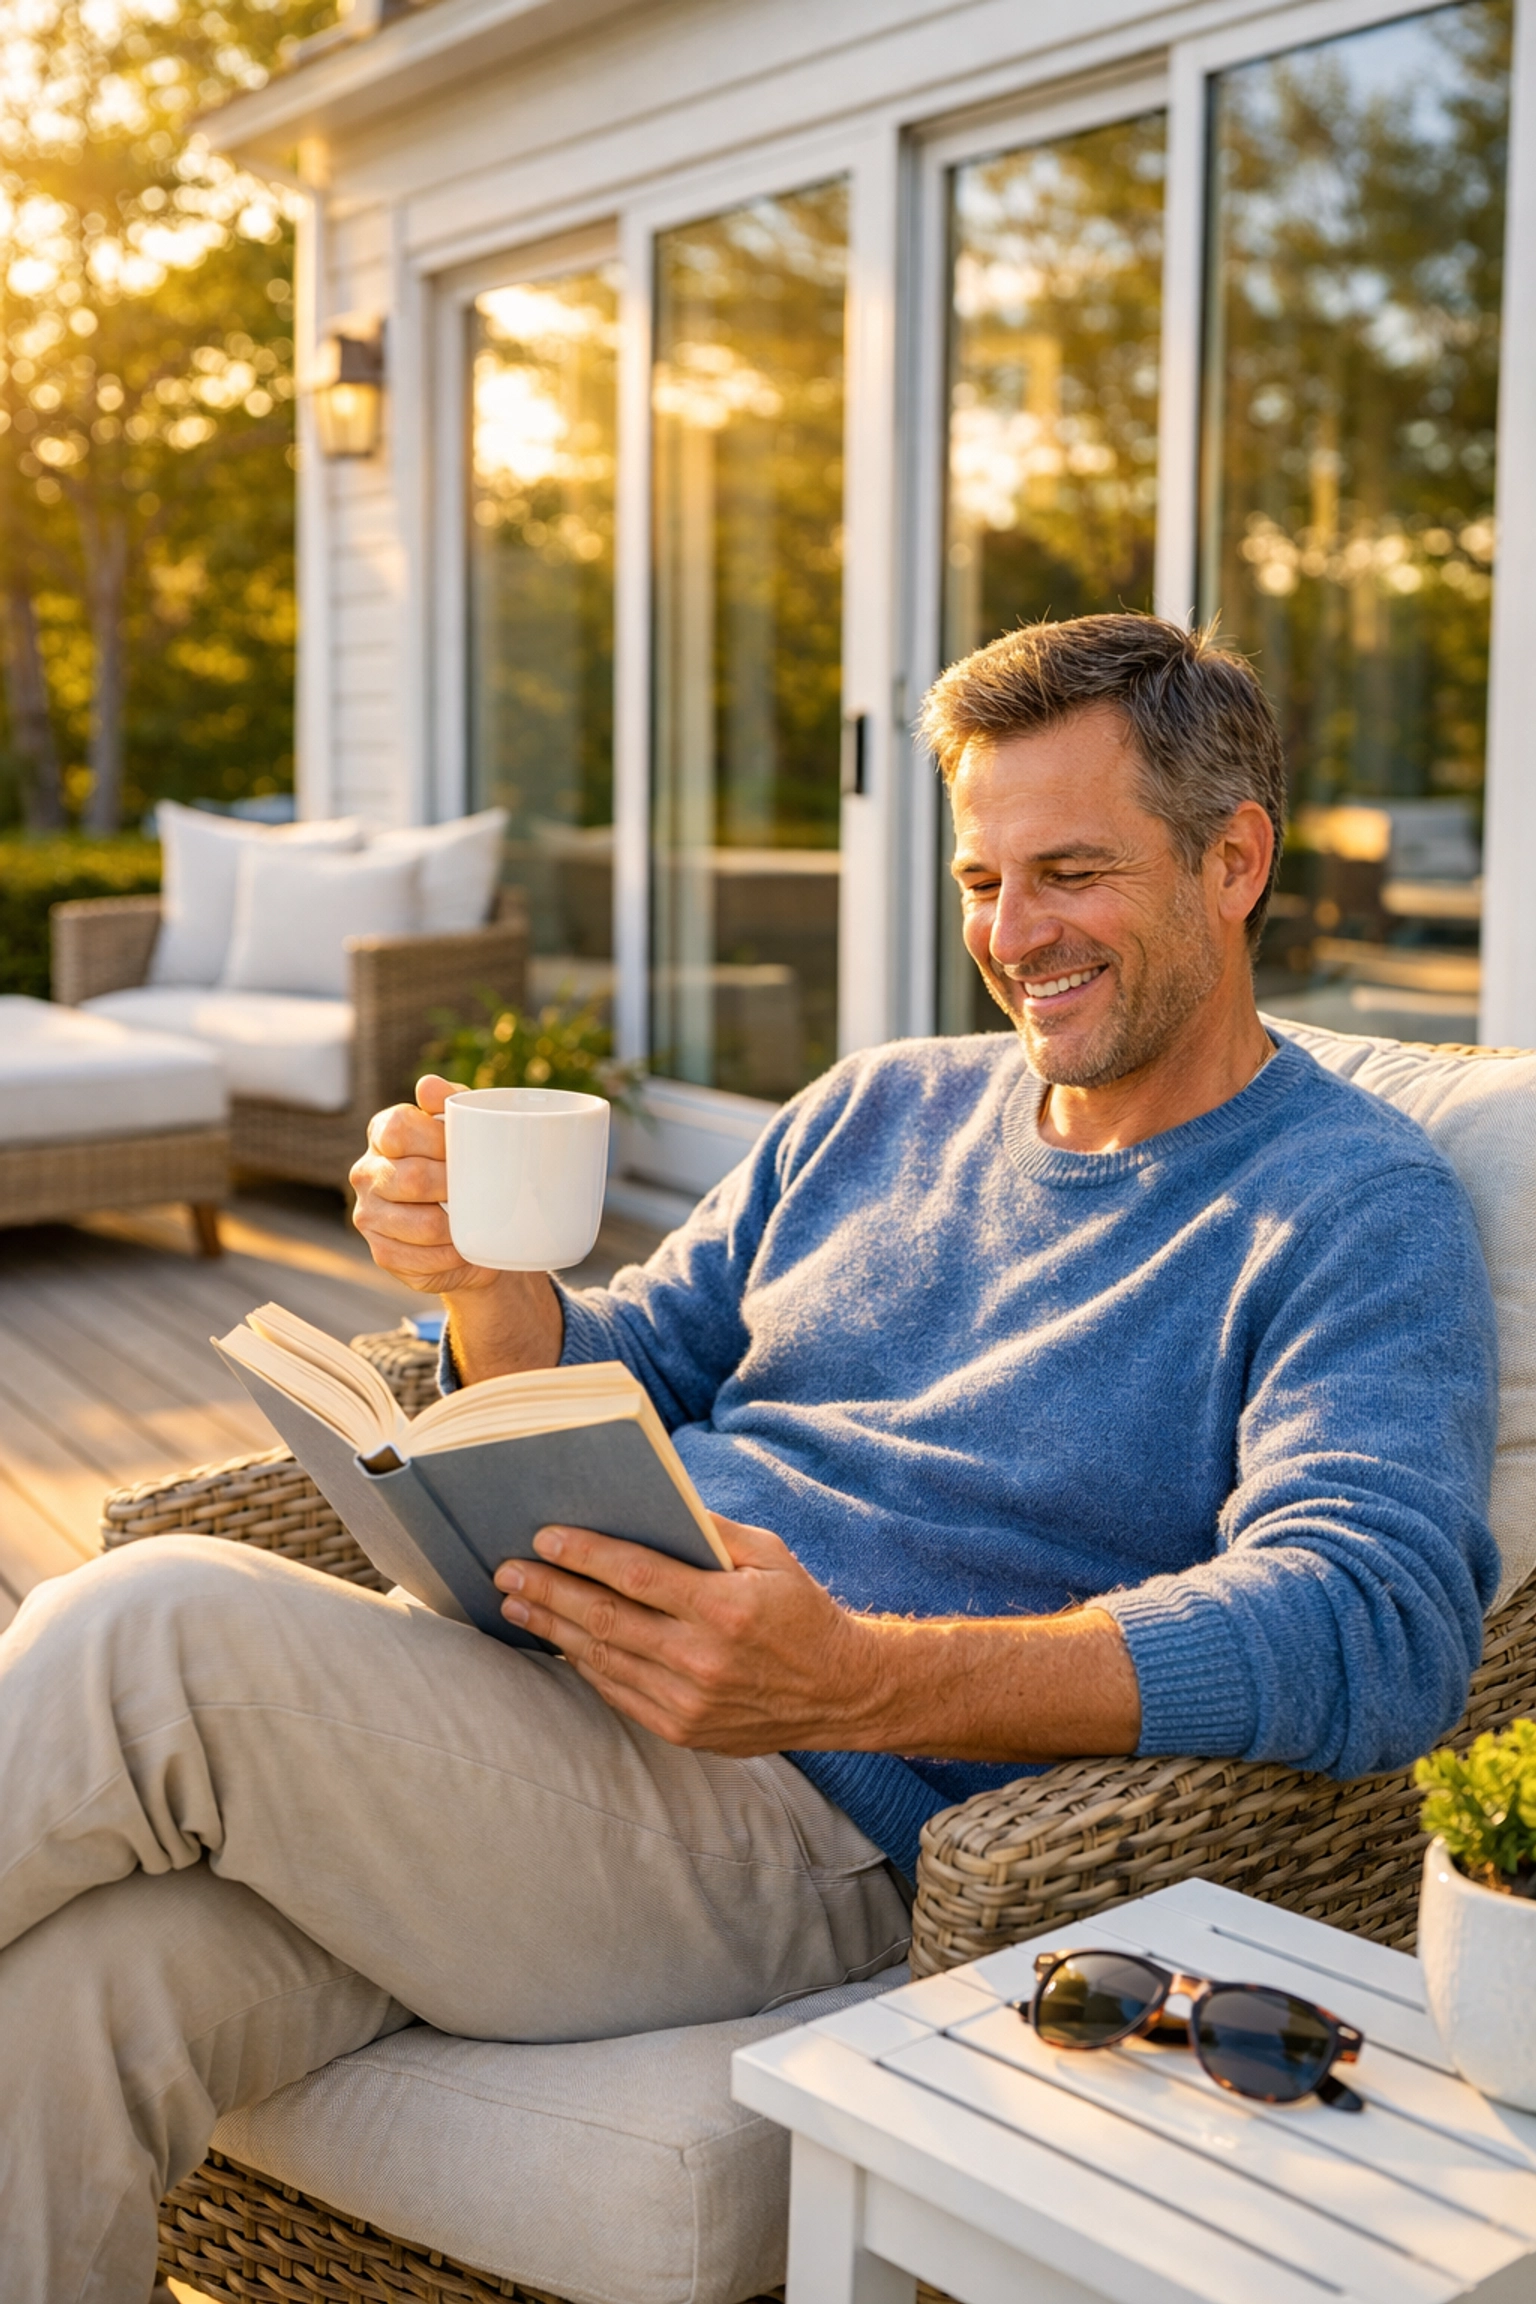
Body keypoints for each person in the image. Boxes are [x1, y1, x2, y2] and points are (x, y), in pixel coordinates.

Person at [0, 614, 1497, 2301]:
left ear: (1236, 861)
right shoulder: (877, 1109)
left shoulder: (1351, 1208)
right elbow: (630, 1359)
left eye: (1070, 872)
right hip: (522, 1719)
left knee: (152, 1626)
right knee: (75, 2001)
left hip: (791, 1820)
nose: (1014, 936)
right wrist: (492, 1293)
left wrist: (857, 1684)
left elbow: (1377, 1623)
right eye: (982, 881)